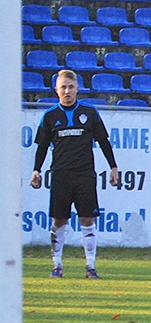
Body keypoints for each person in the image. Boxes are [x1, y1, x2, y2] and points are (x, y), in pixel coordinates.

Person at [30, 70, 119, 279]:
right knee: (59, 220)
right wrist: (36, 170)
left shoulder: (90, 113)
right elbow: (42, 147)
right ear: (56, 90)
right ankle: (57, 265)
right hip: (61, 175)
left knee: (87, 219)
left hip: (85, 175)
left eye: (70, 87)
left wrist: (113, 167)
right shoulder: (50, 116)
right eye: (63, 87)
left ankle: (90, 266)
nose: (67, 91)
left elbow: (104, 142)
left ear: (77, 89)